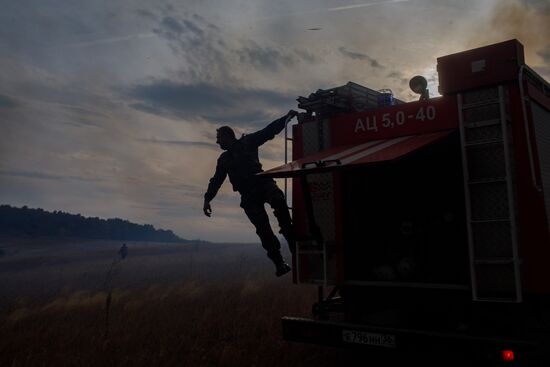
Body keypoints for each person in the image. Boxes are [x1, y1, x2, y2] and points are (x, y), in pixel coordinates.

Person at [203, 110, 298, 277]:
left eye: (219, 139)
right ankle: (279, 263)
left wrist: (286, 118)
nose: (217, 142)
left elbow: (268, 132)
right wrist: (207, 199)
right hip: (248, 196)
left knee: (278, 200)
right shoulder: (224, 159)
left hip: (263, 184)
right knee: (263, 229)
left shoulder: (248, 142)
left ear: (227, 136)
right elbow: (216, 180)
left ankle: (293, 243)